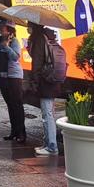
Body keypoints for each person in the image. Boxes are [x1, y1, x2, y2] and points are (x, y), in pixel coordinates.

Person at [27, 24, 64, 156]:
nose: (27, 26)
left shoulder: (39, 39)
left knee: (47, 114)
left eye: (28, 24)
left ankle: (51, 146)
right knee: (49, 113)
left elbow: (37, 63)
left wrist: (33, 82)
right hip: (52, 79)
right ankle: (48, 143)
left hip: (45, 81)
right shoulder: (48, 36)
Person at [0, 23, 26, 143]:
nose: (0, 31)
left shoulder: (14, 41)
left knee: (17, 105)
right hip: (3, 77)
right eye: (0, 29)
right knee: (10, 105)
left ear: (9, 31)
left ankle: (21, 133)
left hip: (14, 76)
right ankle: (14, 131)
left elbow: (15, 57)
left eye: (3, 29)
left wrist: (6, 47)